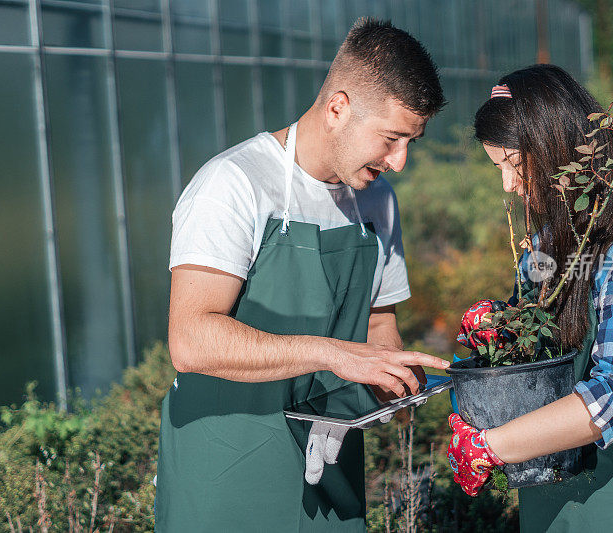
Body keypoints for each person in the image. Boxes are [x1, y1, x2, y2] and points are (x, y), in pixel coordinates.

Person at [154, 18, 450, 532]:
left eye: (411, 143)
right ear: (338, 107)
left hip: (328, 474)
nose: (398, 162)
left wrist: (387, 382)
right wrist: (332, 353)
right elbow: (191, 339)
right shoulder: (237, 184)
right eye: (390, 139)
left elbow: (379, 321)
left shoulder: (376, 199)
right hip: (226, 468)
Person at [447, 64, 613, 532]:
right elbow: (542, 370)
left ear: (556, 148)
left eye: (514, 165)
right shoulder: (542, 248)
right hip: (549, 503)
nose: (509, 185)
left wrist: (491, 445)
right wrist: (503, 332)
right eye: (498, 168)